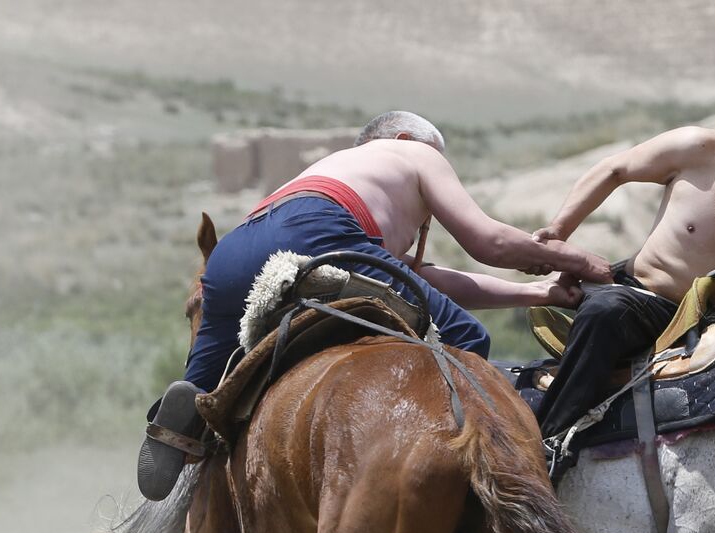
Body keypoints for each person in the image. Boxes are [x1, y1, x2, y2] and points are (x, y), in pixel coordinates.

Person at [136, 110, 611, 500]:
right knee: (468, 339)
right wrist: (581, 260)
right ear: (406, 136)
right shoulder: (413, 152)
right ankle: (458, 478)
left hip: (237, 250)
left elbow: (420, 279)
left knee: (212, 382)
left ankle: (181, 420)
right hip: (319, 233)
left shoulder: (339, 170)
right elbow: (489, 244)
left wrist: (541, 292)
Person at [531, 80, 715, 439]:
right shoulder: (698, 148)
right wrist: (558, 231)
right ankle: (547, 444)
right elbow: (614, 170)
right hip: (642, 300)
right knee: (605, 312)